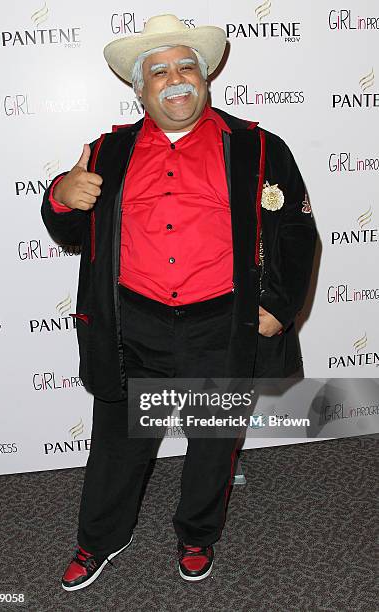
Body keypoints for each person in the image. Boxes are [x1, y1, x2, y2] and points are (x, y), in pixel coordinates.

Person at [41, 14, 317, 590]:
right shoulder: (106, 150)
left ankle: (196, 533)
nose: (176, 79)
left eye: (186, 65)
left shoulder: (259, 147)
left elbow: (295, 232)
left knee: (212, 442)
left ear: (206, 75)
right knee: (120, 443)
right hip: (130, 322)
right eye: (159, 71)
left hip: (220, 322)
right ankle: (100, 540)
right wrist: (61, 198)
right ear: (139, 87)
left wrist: (281, 305)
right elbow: (71, 230)